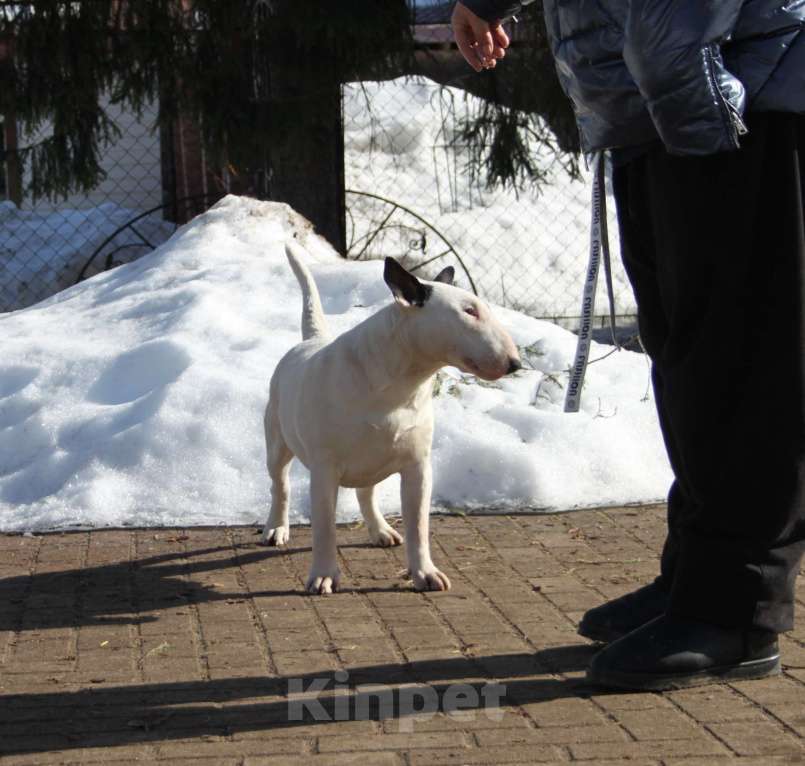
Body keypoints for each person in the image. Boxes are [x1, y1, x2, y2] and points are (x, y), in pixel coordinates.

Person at [451, 0, 805, 690]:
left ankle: (735, 612)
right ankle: (696, 582)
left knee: (743, 366)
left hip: (732, 111)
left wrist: (699, 142)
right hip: (673, 110)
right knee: (690, 364)